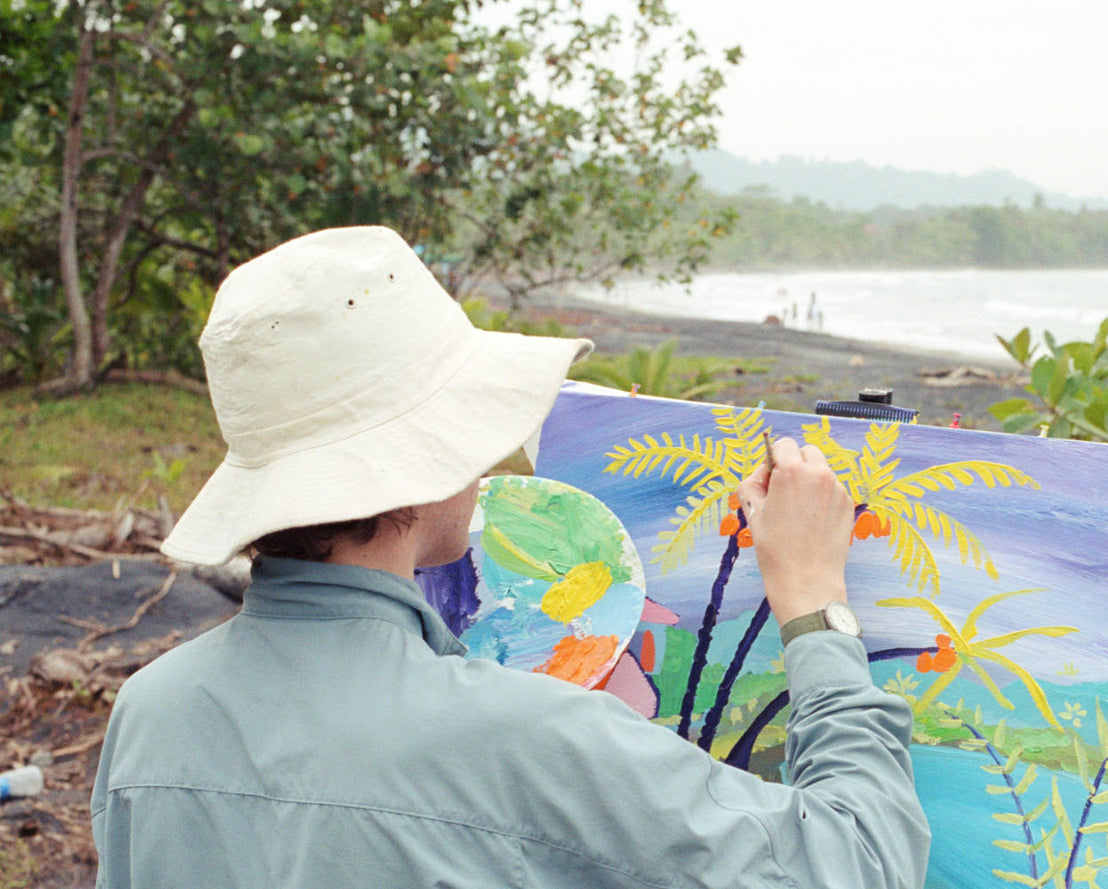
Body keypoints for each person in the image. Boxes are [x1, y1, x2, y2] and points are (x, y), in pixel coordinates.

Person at [90, 227, 930, 888]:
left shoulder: (150, 711)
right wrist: (817, 601)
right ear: (420, 463)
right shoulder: (529, 738)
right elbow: (856, 862)